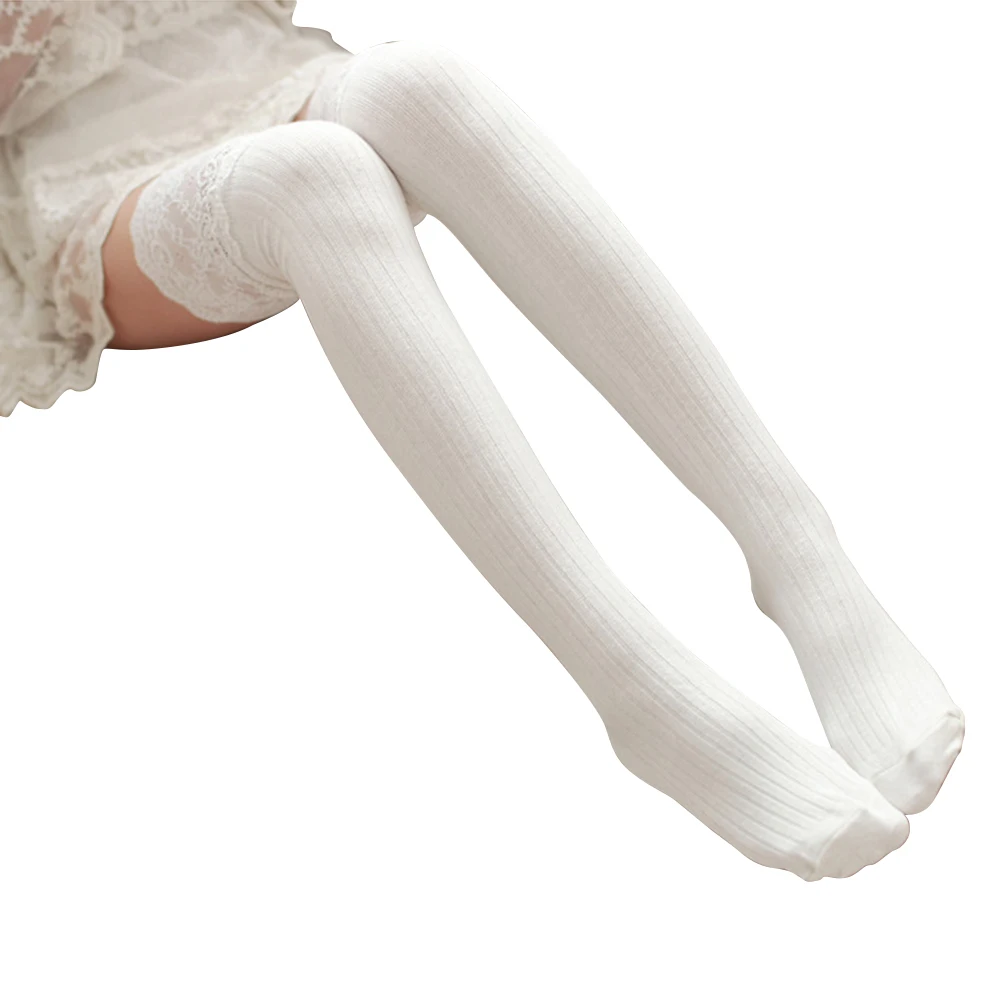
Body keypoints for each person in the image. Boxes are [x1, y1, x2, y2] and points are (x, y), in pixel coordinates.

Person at [0, 1, 964, 880]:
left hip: (238, 63)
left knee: (421, 79)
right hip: (58, 173)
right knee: (314, 176)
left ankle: (803, 561)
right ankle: (639, 685)